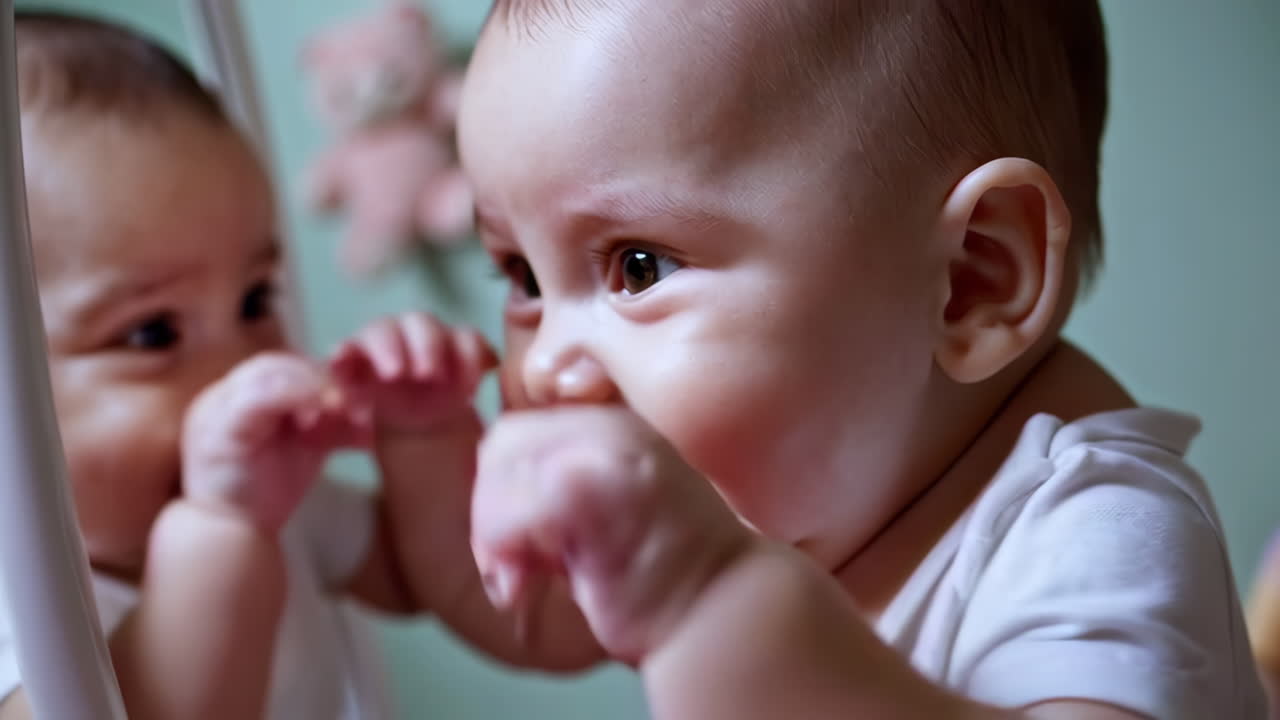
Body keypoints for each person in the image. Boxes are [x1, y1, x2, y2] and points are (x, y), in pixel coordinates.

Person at [443, 1, 1270, 718]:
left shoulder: (1095, 528)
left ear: (969, 281)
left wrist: (714, 601)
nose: (546, 364)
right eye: (521, 277)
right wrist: (420, 446)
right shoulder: (821, 510)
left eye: (639, 266)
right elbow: (517, 617)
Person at [0, 12, 496, 719]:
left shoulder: (278, 509)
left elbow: (449, 586)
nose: (239, 370)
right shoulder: (18, 614)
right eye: (152, 333)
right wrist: (218, 535)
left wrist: (424, 442)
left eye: (256, 298)